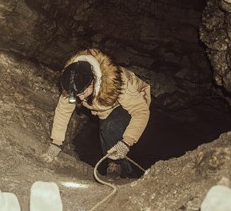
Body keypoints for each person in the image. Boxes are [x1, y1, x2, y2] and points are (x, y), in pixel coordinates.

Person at [41, 48, 151, 178]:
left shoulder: (118, 81)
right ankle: (116, 163)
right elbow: (63, 111)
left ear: (93, 80)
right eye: (77, 95)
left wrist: (126, 142)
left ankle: (123, 170)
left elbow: (140, 111)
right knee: (105, 130)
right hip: (106, 107)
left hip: (132, 101)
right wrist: (56, 143)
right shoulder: (72, 82)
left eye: (83, 93)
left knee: (110, 126)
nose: (81, 99)